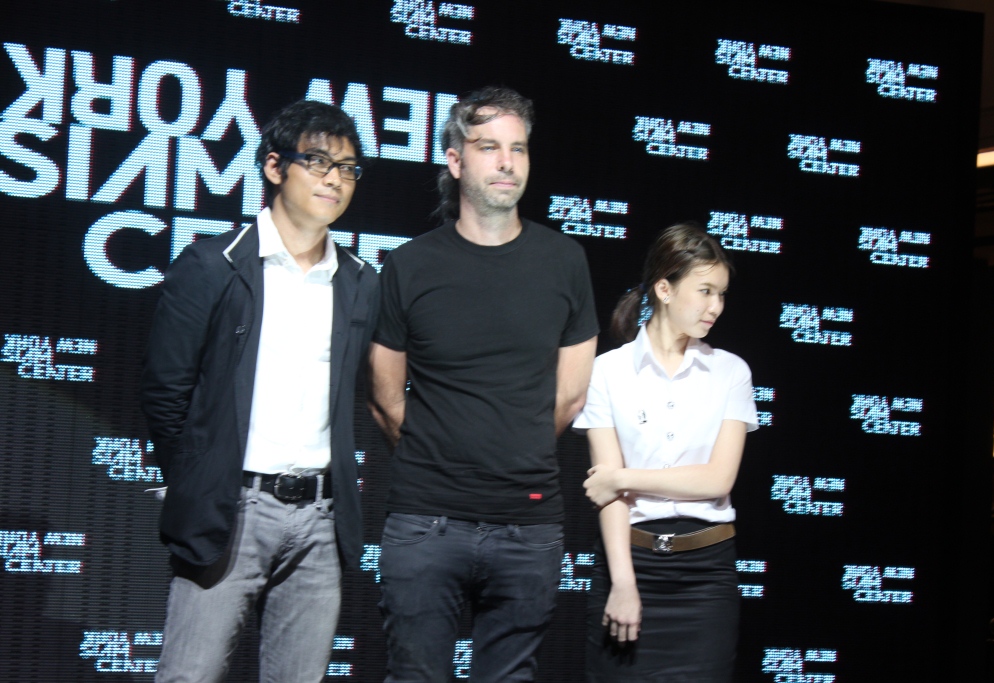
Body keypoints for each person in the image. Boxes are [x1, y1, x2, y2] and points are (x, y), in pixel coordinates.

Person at [140, 100, 379, 682]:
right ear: (275, 167)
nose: (334, 179)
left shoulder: (359, 281)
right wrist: (202, 479)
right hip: (232, 508)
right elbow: (167, 392)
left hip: (320, 517)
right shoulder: (212, 264)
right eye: (317, 161)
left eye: (347, 168)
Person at [368, 86, 599, 682]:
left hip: (528, 524)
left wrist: (511, 447)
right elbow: (386, 398)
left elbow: (571, 396)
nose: (506, 162)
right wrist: (441, 457)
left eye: (518, 148)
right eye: (489, 147)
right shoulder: (409, 264)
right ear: (455, 160)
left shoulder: (564, 260)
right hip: (425, 521)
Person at [573, 223, 758, 682]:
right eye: (705, 291)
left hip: (706, 576)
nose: (716, 307)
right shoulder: (607, 372)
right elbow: (608, 496)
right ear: (664, 289)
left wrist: (624, 477)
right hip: (628, 563)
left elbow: (717, 479)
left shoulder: (731, 372)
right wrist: (623, 584)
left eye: (722, 294)